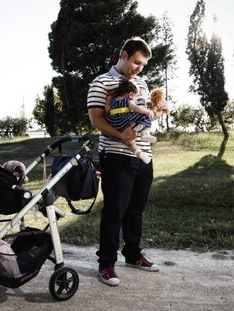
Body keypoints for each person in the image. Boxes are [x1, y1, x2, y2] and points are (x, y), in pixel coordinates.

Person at [87, 37, 166, 286]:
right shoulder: (101, 82)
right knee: (114, 211)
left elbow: (144, 114)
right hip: (116, 156)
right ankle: (106, 264)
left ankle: (132, 254)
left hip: (143, 156)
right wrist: (122, 135)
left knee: (136, 210)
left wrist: (159, 109)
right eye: (136, 63)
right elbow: (96, 119)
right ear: (123, 55)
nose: (138, 69)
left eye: (142, 65)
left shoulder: (141, 83)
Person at [105, 79, 157, 164]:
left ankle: (139, 153)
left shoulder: (113, 101)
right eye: (135, 96)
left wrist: (108, 100)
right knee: (145, 117)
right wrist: (147, 111)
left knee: (129, 142)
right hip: (126, 120)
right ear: (130, 94)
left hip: (115, 124)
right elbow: (137, 108)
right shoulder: (128, 101)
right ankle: (144, 134)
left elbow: (107, 110)